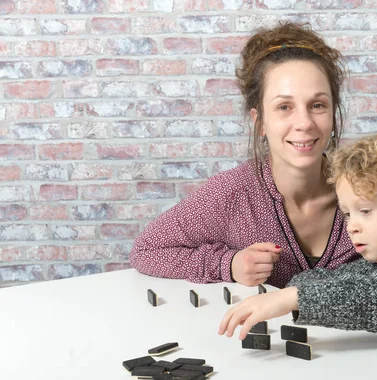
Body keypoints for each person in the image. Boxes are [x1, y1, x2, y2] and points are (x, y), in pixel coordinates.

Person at [129, 22, 360, 288]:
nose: (304, 123)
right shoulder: (231, 193)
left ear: (333, 113)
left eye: (317, 105)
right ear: (259, 120)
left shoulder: (370, 188)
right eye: (284, 107)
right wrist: (228, 264)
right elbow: (147, 251)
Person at [218, 132, 377, 356]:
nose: (351, 226)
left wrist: (294, 298)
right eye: (348, 214)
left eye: (366, 210)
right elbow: (313, 281)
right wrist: (289, 293)